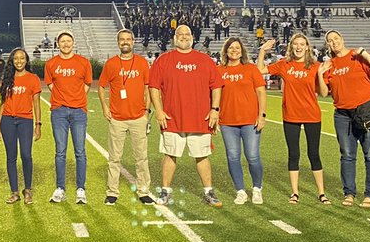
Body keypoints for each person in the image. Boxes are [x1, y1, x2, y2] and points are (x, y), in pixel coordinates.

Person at [148, 24, 224, 208]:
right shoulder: (164, 60)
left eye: (187, 34)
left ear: (192, 37)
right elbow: (154, 87)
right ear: (175, 38)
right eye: (180, 34)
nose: (184, 37)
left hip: (200, 118)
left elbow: (216, 86)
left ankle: (208, 192)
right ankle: (165, 191)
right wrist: (158, 110)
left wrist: (215, 109)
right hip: (172, 118)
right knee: (170, 154)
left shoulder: (204, 60)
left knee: (202, 155)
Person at [258, 33, 328, 205]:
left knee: (314, 154)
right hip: (291, 115)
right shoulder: (284, 64)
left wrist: (320, 74)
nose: (298, 47)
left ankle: (321, 193)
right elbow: (259, 71)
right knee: (293, 154)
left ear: (307, 47)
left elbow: (324, 93)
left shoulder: (315, 66)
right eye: (295, 44)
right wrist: (262, 51)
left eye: (302, 44)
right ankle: (295, 193)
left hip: (312, 115)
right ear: (291, 46)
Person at [322, 29, 370, 208]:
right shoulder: (329, 64)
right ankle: (349, 193)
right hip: (343, 114)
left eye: (336, 38)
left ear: (342, 39)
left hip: (366, 111)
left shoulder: (356, 56)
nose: (334, 42)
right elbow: (324, 92)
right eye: (330, 41)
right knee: (347, 156)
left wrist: (364, 53)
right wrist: (320, 73)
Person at [97, 29, 155, 206]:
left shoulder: (142, 62)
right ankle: (112, 192)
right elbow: (101, 86)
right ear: (118, 42)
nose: (125, 42)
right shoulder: (111, 63)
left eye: (128, 39)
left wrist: (146, 112)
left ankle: (143, 191)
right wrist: (105, 107)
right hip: (117, 118)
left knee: (141, 157)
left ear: (133, 41)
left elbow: (148, 87)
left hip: (138, 117)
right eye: (122, 39)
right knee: (114, 158)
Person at [43, 31, 93, 204]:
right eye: (62, 41)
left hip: (79, 111)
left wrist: (76, 98)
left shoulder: (83, 62)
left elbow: (87, 84)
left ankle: (81, 189)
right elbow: (50, 84)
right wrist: (62, 99)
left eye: (68, 41)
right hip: (59, 111)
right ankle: (60, 188)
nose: (65, 44)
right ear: (58, 44)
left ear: (73, 43)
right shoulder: (51, 63)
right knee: (60, 151)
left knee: (80, 151)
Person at [217, 37, 267, 205]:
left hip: (250, 121)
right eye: (231, 48)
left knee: (253, 156)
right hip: (227, 121)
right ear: (225, 51)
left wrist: (262, 115)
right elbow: (213, 94)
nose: (234, 50)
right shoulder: (219, 70)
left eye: (237, 48)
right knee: (233, 157)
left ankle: (257, 188)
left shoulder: (251, 69)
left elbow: (261, 92)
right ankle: (240, 191)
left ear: (242, 51)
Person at [0, 48, 43, 204]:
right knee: (11, 157)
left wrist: (38, 125)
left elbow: (37, 104)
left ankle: (28, 190)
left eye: (22, 58)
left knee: (26, 155)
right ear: (12, 61)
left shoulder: (33, 79)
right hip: (7, 121)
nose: (19, 61)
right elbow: (3, 103)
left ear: (26, 60)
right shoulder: (7, 79)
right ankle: (14, 192)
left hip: (25, 120)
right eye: (16, 59)